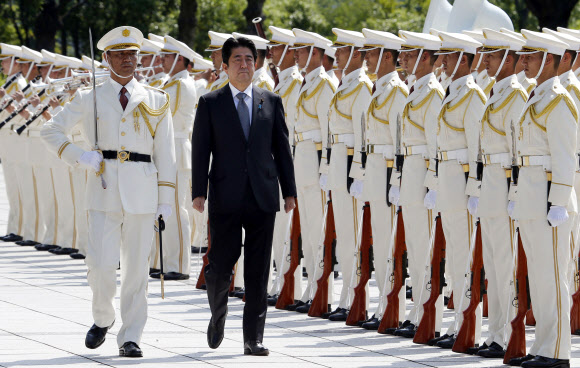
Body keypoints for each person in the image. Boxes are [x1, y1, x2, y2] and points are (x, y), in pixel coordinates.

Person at [41, 26, 176, 358]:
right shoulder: (89, 97)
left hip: (143, 190)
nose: (128, 60)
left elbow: (166, 153)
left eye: (132, 54)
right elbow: (50, 129)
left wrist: (166, 198)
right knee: (100, 266)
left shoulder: (156, 98)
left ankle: (131, 336)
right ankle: (103, 317)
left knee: (136, 270)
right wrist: (78, 155)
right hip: (103, 186)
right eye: (120, 54)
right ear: (106, 58)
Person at [192, 36, 296, 356]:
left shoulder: (271, 101)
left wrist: (289, 191)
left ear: (256, 64)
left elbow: (282, 149)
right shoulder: (211, 103)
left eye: (249, 59)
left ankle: (253, 336)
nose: (244, 65)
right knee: (220, 266)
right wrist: (198, 193)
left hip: (262, 196)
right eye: (237, 59)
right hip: (225, 195)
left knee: (258, 269)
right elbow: (200, 151)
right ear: (224, 66)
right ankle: (218, 313)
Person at [508, 30, 577, 368]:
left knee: (554, 276)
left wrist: (560, 202)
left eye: (531, 57)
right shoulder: (537, 96)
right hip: (532, 197)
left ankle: (558, 352)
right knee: (539, 276)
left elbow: (565, 156)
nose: (524, 62)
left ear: (550, 60)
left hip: (549, 200)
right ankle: (543, 347)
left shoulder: (559, 99)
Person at [467, 28, 527, 358]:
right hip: (490, 182)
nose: (485, 60)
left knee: (505, 263)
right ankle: (495, 334)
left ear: (508, 58)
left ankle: (507, 336)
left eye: (491, 55)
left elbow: (518, 148)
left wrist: (514, 192)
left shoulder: (516, 94)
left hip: (504, 184)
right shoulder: (495, 91)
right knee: (492, 261)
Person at [388, 30, 444, 338]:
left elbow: (435, 142)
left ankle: (427, 313)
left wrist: (432, 183)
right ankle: (418, 309)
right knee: (414, 246)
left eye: (409, 55)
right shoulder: (415, 89)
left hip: (422, 173)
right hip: (409, 171)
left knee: (424, 247)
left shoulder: (432, 92)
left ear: (426, 58)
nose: (403, 59)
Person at [318, 28, 372, 322]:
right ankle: (346, 297)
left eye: (341, 50)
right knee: (343, 234)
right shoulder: (345, 84)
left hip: (351, 163)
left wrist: (358, 171)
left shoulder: (361, 86)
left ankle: (355, 298)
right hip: (338, 160)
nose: (336, 54)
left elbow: (362, 134)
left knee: (353, 235)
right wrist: (328, 166)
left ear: (355, 54)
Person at [357, 28, 409, 330]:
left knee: (392, 243)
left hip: (388, 171)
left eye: (373, 54)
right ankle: (382, 306)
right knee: (379, 241)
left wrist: (395, 181)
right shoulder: (379, 88)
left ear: (387, 56)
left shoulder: (397, 91)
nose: (368, 59)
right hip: (375, 169)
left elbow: (399, 142)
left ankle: (395, 307)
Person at [287, 28, 336, 313]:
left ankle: (321, 289)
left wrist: (326, 168)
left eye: (302, 51)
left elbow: (329, 131)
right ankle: (311, 288)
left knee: (318, 229)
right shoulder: (307, 83)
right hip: (301, 161)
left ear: (315, 53)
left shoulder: (325, 84)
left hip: (315, 162)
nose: (297, 55)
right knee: (306, 227)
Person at [149, 35, 197, 281]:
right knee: (162, 206)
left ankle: (178, 263)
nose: (162, 60)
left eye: (167, 56)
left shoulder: (180, 86)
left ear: (180, 59)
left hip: (176, 148)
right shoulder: (171, 83)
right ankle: (161, 260)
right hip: (167, 147)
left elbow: (165, 116)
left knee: (176, 209)